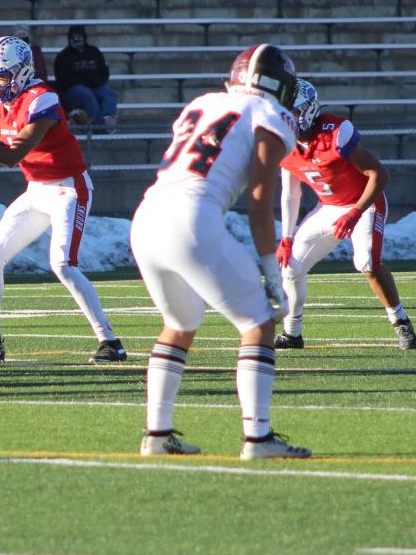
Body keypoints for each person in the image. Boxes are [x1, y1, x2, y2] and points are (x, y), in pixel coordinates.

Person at [131, 43, 311, 460]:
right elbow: (261, 201)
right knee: (258, 323)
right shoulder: (271, 114)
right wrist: (271, 270)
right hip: (192, 219)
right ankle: (259, 439)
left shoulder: (205, 102)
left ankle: (156, 434)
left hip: (147, 217)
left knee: (180, 322)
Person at [0, 36, 125, 364]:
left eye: (1, 77)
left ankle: (110, 341)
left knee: (63, 264)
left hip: (69, 188)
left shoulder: (41, 99)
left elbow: (13, 155)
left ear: (22, 71)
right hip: (37, 190)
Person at [276, 79, 416, 350]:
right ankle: (292, 334)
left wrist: (355, 213)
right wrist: (286, 238)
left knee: (366, 262)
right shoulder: (283, 143)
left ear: (307, 110)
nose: (286, 120)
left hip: (365, 201)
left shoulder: (335, 132)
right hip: (330, 207)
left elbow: (379, 174)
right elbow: (290, 193)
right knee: (290, 269)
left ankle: (400, 321)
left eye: (291, 113)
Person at [54, 24, 118, 129]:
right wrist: (81, 81)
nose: (76, 39)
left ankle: (107, 121)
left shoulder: (94, 52)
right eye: (73, 37)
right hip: (74, 88)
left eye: (79, 36)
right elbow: (62, 79)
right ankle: (97, 126)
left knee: (109, 94)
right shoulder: (63, 56)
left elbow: (104, 72)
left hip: (95, 85)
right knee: (87, 95)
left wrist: (97, 81)